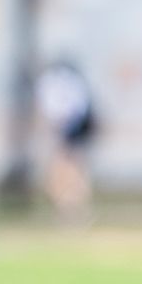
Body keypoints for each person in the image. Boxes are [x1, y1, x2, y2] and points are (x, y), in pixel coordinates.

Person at [36, 56, 97, 222]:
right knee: (69, 168)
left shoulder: (53, 82)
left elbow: (61, 109)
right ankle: (70, 207)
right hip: (69, 130)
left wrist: (63, 129)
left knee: (67, 169)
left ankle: (71, 207)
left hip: (69, 130)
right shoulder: (68, 80)